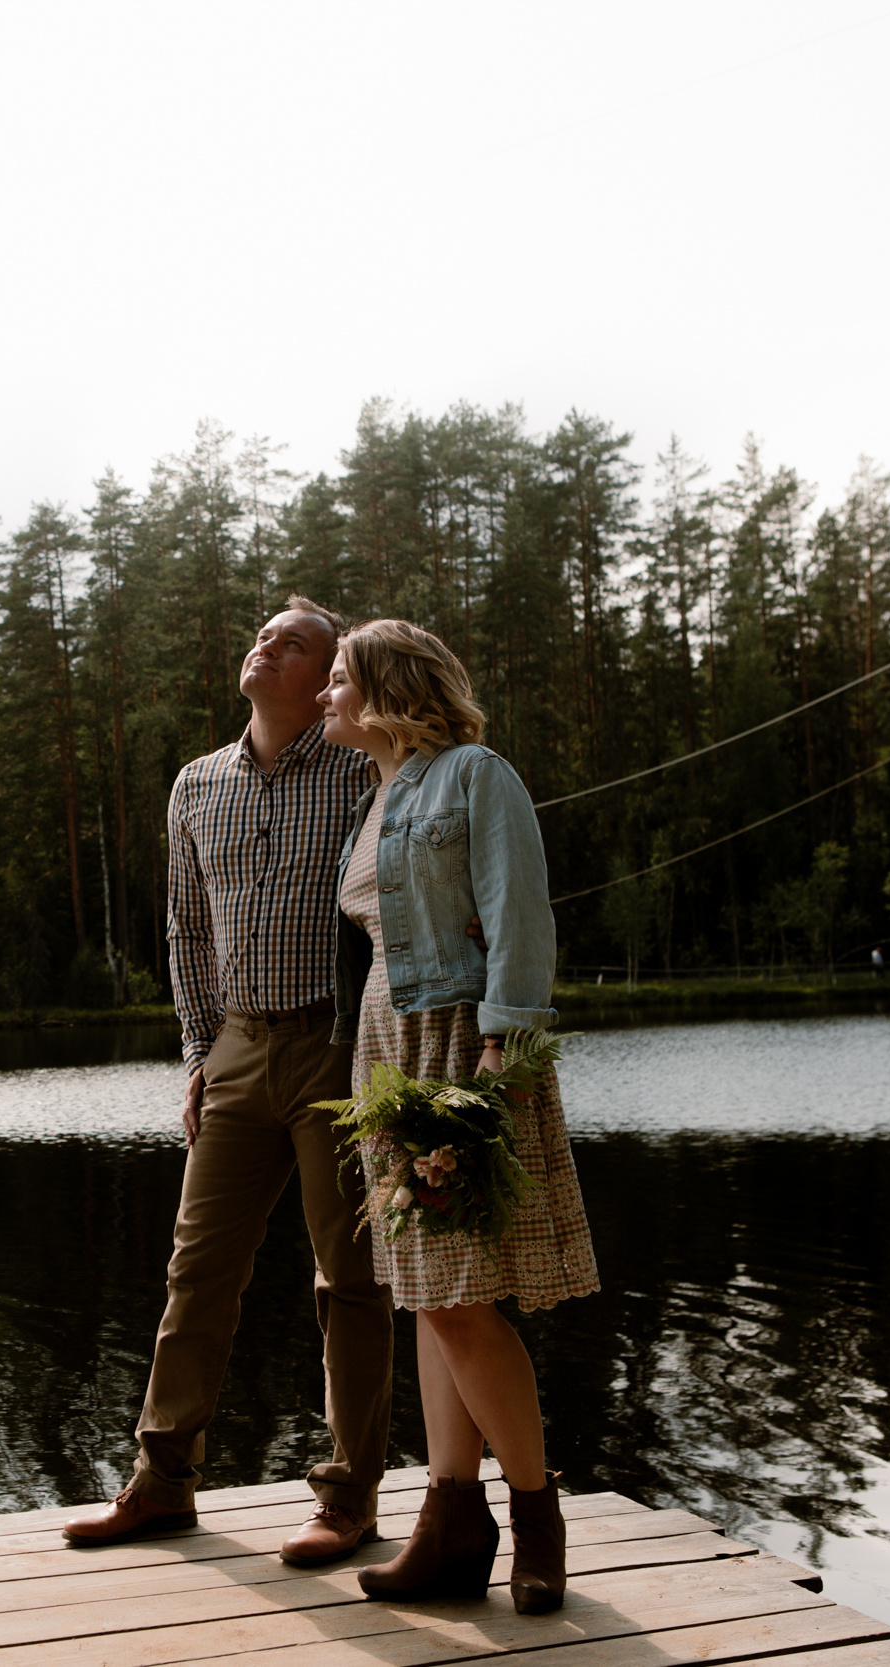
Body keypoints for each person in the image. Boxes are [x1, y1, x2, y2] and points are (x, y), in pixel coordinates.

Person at [62, 597, 395, 1567]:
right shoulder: (196, 784)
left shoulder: (357, 773)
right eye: (261, 633)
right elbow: (185, 930)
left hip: (336, 1049)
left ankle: (350, 1496)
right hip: (238, 1048)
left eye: (290, 642)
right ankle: (162, 1481)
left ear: (326, 676)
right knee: (196, 1266)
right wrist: (199, 1052)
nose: (264, 645)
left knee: (352, 1278)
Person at [314, 619, 599, 1614]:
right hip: (390, 1049)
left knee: (463, 1298)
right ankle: (451, 1520)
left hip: (460, 1045)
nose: (323, 696)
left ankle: (535, 1515)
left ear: (389, 685)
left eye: (339, 678)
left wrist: (500, 1056)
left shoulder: (477, 774)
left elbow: (521, 913)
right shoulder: (373, 797)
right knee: (430, 1294)